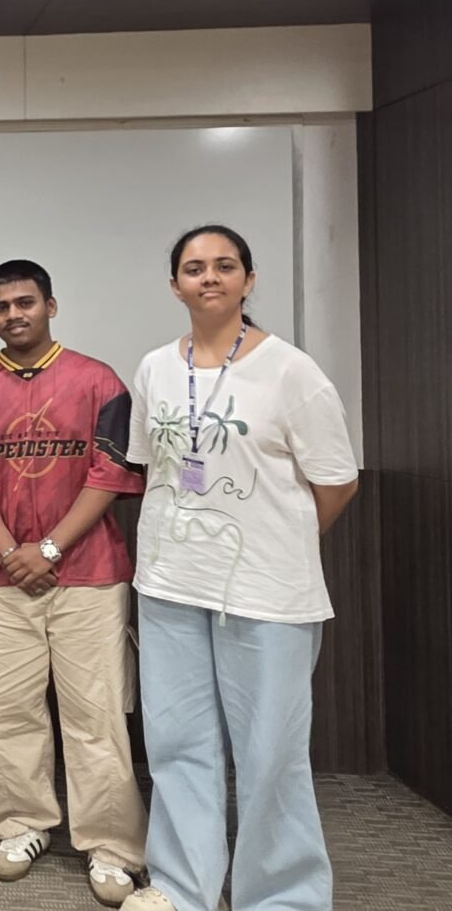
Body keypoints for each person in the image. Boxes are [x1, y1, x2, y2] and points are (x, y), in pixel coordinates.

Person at [120, 226, 358, 911]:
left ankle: (282, 896)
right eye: (194, 268)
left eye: (225, 266)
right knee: (177, 745)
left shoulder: (291, 371)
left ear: (249, 280)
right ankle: (179, 886)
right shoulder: (155, 368)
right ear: (175, 286)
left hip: (266, 594)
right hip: (169, 584)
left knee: (270, 754)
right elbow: (156, 468)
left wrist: (274, 543)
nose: (209, 277)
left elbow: (337, 482)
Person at [0, 259, 147, 907]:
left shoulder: (99, 381)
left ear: (50, 306)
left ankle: (111, 846)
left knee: (97, 716)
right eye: (1, 306)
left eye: (25, 302)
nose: (14, 315)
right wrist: (13, 553)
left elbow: (110, 474)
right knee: (2, 712)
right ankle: (17, 826)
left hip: (89, 576)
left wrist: (51, 547)